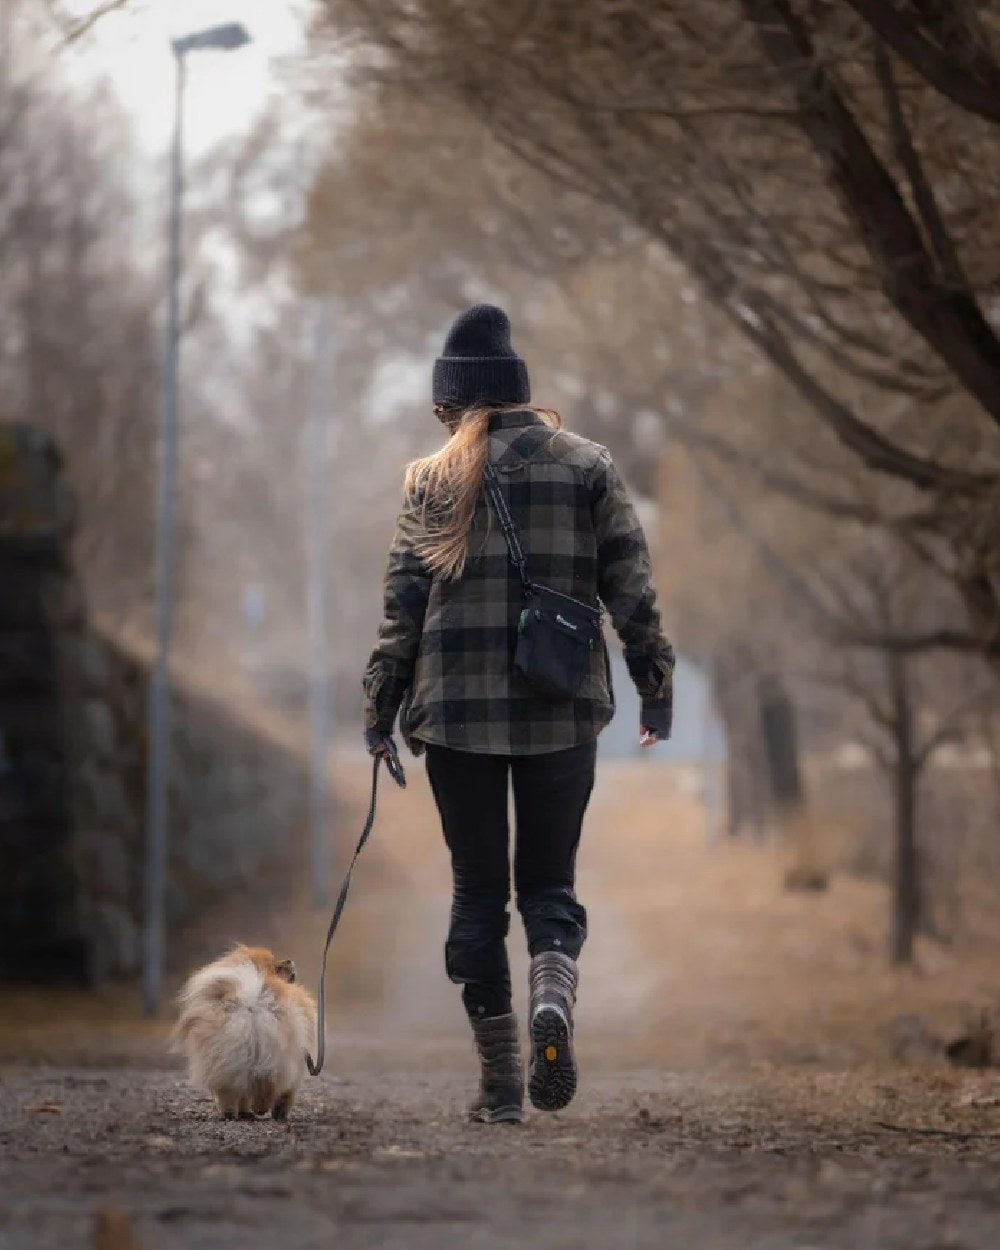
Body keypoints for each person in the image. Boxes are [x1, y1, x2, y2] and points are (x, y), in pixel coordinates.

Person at [362, 304, 674, 1124]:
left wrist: (379, 708)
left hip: (457, 717)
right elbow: (631, 586)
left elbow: (402, 604)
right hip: (560, 706)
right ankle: (553, 996)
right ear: (518, 393)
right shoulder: (589, 466)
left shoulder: (431, 482)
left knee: (475, 897)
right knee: (549, 884)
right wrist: (655, 682)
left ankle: (501, 1084)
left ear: (453, 401)